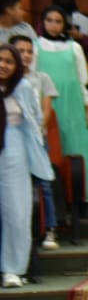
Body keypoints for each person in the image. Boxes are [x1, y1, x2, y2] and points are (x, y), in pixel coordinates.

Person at [36, 6, 88, 203]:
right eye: (49, 20)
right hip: (49, 106)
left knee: (80, 149)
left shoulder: (75, 47)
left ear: (64, 24)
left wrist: (87, 108)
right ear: (43, 22)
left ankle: (82, 197)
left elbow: (83, 80)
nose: (53, 25)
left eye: (58, 21)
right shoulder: (35, 46)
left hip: (74, 105)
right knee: (54, 150)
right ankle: (59, 199)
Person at [0, 44, 53, 287]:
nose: (3, 65)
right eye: (0, 60)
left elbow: (36, 119)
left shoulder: (22, 87)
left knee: (17, 211)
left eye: (9, 61)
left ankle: (12, 269)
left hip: (14, 148)